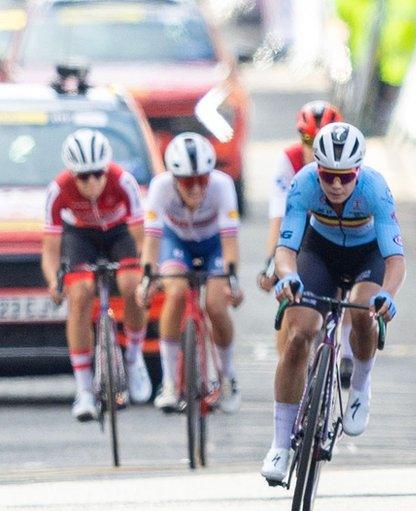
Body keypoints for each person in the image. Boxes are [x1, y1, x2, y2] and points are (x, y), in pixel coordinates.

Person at [262, 122, 405, 484]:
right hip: (320, 252)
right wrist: (288, 275)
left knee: (362, 308)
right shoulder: (304, 184)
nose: (337, 185)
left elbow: (395, 260)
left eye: (346, 176)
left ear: (358, 170)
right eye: (328, 176)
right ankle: (280, 444)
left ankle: (360, 386)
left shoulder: (375, 189)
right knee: (299, 335)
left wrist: (388, 293)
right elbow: (286, 248)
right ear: (317, 170)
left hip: (366, 256)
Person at [42, 129, 153, 420]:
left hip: (119, 234)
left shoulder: (123, 181)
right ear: (71, 173)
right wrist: (54, 281)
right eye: (82, 176)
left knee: (131, 284)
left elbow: (141, 238)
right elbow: (51, 249)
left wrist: (143, 271)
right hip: (81, 237)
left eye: (97, 173)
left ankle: (134, 358)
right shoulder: (58, 189)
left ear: (106, 169)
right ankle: (84, 391)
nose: (91, 182)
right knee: (79, 295)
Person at [138, 132, 244, 414]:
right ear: (174, 178)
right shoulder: (160, 188)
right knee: (174, 292)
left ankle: (226, 375)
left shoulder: (222, 186)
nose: (196, 188)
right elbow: (152, 239)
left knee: (216, 305)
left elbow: (230, 241)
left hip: (213, 246)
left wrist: (232, 280)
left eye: (201, 180)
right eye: (187, 181)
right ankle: (171, 383)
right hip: (177, 243)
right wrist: (147, 278)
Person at [256, 101, 356, 387]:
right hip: (299, 230)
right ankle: (289, 368)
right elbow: (279, 214)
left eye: (320, 140)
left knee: (346, 279)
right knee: (290, 295)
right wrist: (270, 259)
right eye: (308, 140)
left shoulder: (349, 159)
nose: (312, 150)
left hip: (337, 230)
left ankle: (346, 351)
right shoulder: (288, 160)